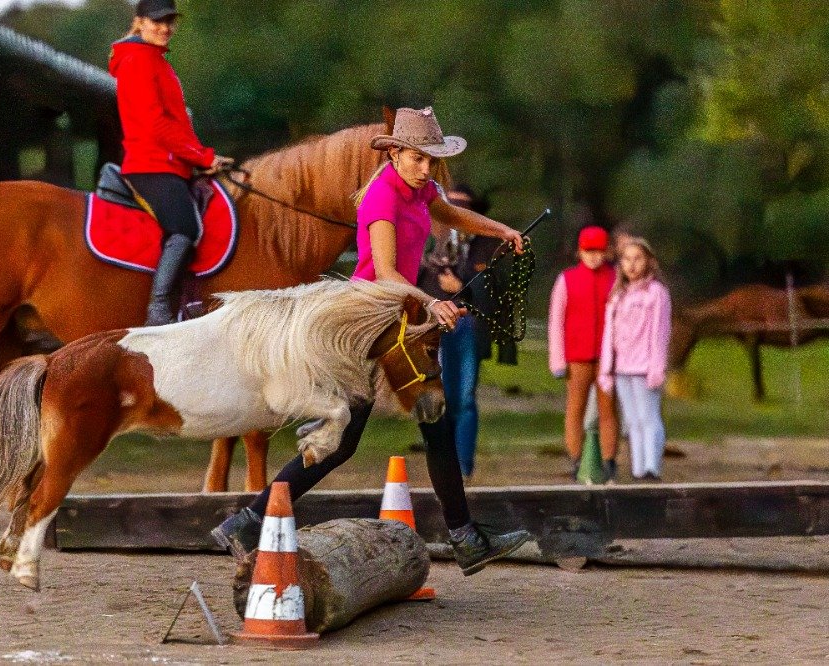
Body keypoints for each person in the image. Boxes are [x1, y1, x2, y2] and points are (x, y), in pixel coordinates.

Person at [212, 106, 530, 575]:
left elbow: (448, 212)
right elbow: (384, 274)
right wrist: (431, 303)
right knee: (396, 429)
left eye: (432, 161)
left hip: (398, 320)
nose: (427, 169)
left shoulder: (423, 189)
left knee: (376, 434)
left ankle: (246, 521)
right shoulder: (382, 198)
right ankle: (465, 538)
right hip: (376, 322)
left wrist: (498, 229)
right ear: (396, 153)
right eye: (418, 159)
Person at [109, 0, 233, 325]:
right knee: (185, 228)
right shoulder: (138, 61)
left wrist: (200, 159)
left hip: (169, 162)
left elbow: (177, 124)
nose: (165, 28)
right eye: (157, 21)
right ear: (139, 23)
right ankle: (159, 310)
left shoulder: (155, 60)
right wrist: (203, 156)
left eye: (170, 21)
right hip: (150, 164)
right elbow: (156, 126)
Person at [417, 186, 499, 480]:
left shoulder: (486, 245)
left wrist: (461, 283)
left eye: (463, 207)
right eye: (450, 206)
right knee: (435, 398)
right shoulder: (428, 241)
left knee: (462, 397)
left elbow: (494, 291)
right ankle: (442, 463)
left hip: (466, 326)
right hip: (431, 327)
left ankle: (462, 464)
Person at [548, 226, 619, 481]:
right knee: (575, 407)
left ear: (607, 252)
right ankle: (577, 458)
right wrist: (557, 359)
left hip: (607, 355)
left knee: (608, 408)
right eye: (589, 251)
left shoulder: (615, 278)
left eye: (599, 251)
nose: (593, 256)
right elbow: (556, 321)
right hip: (576, 354)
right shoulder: (566, 279)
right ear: (579, 252)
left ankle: (610, 460)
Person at [598, 238, 672, 480]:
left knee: (648, 417)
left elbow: (660, 332)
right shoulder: (618, 295)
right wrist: (606, 369)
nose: (631, 265)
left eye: (637, 259)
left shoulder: (656, 293)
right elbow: (609, 334)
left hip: (645, 366)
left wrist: (656, 367)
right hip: (622, 368)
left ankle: (652, 467)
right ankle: (638, 469)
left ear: (649, 262)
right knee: (632, 421)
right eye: (626, 259)